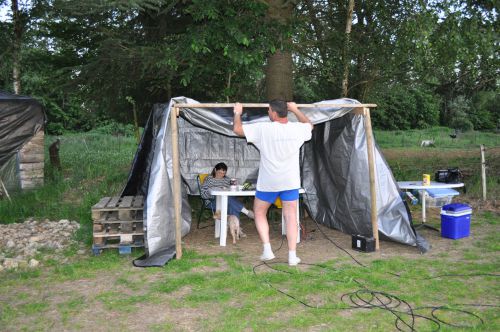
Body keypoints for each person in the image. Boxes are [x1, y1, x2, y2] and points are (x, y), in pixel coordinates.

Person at [233, 100, 313, 266]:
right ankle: (292, 256)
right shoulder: (297, 128)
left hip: (269, 182)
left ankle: (267, 250)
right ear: (286, 112)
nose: (268, 113)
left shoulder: (263, 128)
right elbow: (309, 125)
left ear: (274, 113)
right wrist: (296, 110)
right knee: (291, 216)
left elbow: (237, 129)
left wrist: (237, 112)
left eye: (269, 110)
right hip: (290, 181)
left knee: (259, 212)